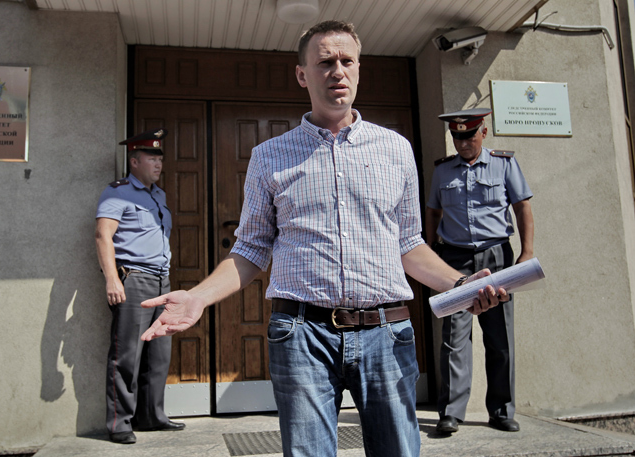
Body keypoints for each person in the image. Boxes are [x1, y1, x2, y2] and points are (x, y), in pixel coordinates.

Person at [140, 21, 507, 457]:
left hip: (387, 332)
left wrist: (461, 287)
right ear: (302, 74)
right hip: (301, 335)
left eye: (347, 61)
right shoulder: (268, 157)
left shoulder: (395, 149)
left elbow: (408, 243)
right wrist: (199, 297)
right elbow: (252, 248)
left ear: (358, 69)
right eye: (325, 62)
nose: (338, 71)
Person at [425, 108, 535, 434]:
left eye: (469, 136)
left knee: (499, 336)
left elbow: (522, 206)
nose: (463, 144)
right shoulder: (443, 171)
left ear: (483, 133)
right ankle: (451, 413)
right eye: (457, 137)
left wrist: (527, 251)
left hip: (496, 257)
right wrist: (430, 250)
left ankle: (501, 410)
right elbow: (433, 211)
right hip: (455, 259)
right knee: (454, 338)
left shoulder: (504, 163)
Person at [94, 128, 185, 444]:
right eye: (151, 158)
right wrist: (112, 279)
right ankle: (120, 423)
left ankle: (152, 416)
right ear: (134, 161)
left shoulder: (158, 195)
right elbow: (103, 236)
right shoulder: (117, 192)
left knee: (159, 354)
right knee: (127, 355)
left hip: (162, 281)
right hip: (134, 280)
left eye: (160, 158)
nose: (159, 164)